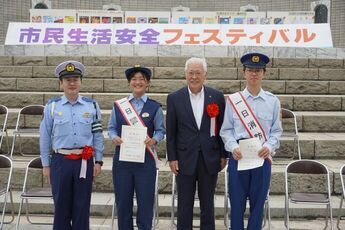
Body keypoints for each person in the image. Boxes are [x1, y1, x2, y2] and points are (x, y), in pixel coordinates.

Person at [220, 52, 282, 230]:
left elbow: (276, 132)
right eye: (250, 70)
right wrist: (232, 147)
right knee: (237, 205)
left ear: (264, 73)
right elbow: (226, 131)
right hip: (239, 159)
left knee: (258, 205)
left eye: (258, 70)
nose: (254, 73)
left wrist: (269, 146)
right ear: (244, 72)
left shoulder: (273, 101)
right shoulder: (233, 101)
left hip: (262, 160)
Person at [40, 60, 104, 230]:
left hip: (84, 161)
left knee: (82, 206)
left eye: (75, 79)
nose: (72, 83)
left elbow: (97, 134)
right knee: (61, 206)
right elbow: (45, 136)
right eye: (68, 80)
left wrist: (99, 160)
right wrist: (46, 164)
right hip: (61, 162)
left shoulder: (92, 106)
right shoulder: (52, 106)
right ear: (61, 83)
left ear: (81, 81)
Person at [166, 57, 227, 230]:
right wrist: (172, 157)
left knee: (208, 203)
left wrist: (223, 154)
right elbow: (171, 132)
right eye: (191, 73)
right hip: (184, 158)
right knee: (184, 203)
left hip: (210, 157)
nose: (194, 77)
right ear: (185, 74)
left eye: (198, 73)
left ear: (205, 75)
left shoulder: (216, 96)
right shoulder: (174, 98)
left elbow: (222, 128)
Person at [108, 65, 165, 230]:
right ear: (129, 83)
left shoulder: (155, 107)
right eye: (134, 79)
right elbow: (111, 128)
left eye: (142, 79)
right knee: (123, 202)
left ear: (147, 83)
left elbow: (161, 131)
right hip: (122, 162)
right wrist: (114, 137)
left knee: (145, 202)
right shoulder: (119, 106)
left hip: (145, 162)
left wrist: (153, 140)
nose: (137, 82)